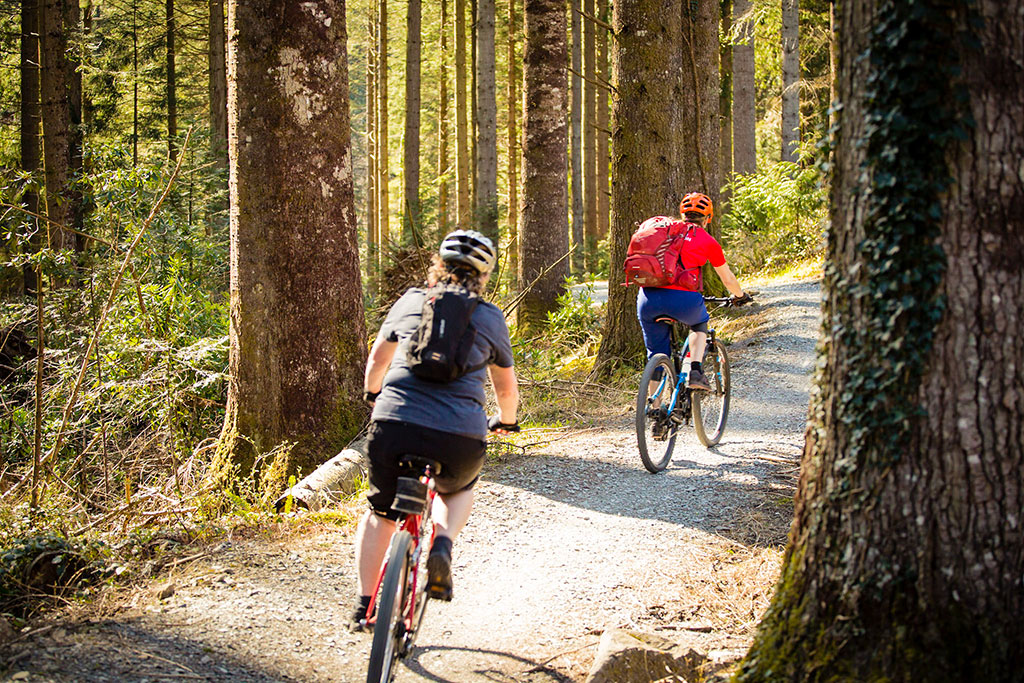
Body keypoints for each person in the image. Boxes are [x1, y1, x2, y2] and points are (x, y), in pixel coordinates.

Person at [351, 229, 520, 630]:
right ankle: (442, 543)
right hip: (459, 436)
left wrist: (373, 394)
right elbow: (505, 387)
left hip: (395, 423)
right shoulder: (489, 317)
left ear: (438, 266)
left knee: (380, 512)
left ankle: (364, 606)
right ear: (483, 276)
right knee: (459, 488)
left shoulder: (411, 300)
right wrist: (507, 421)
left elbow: (378, 360)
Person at [636, 192, 751, 391]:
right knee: (699, 324)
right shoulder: (707, 240)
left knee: (656, 354)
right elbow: (727, 279)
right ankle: (696, 371)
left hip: (648, 298)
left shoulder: (663, 230)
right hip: (684, 300)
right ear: (708, 219)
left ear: (682, 215)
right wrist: (740, 296)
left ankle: (654, 411)